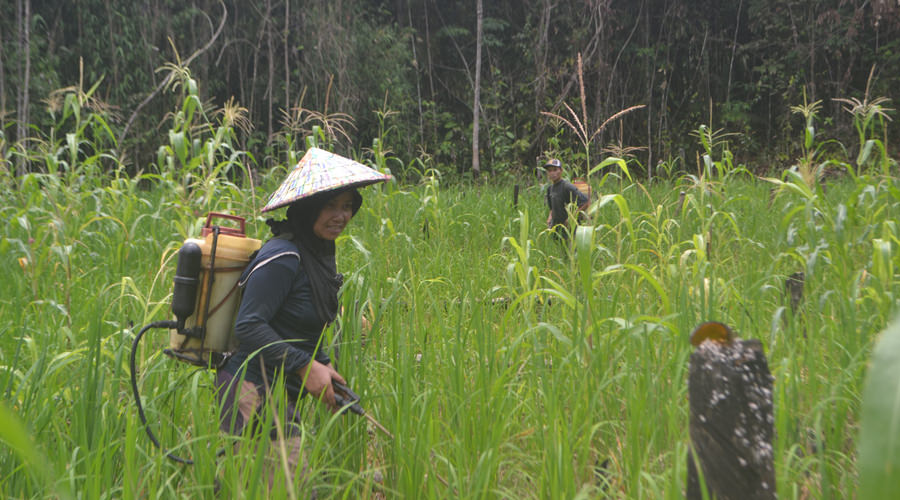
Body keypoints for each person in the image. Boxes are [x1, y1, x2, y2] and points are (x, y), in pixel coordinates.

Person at [216, 147, 391, 486]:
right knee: (287, 489)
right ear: (308, 207)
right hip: (250, 388)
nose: (341, 215)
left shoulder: (318, 254)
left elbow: (298, 329)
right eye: (329, 205)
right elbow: (249, 325)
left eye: (347, 205)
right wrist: (305, 366)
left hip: (281, 391)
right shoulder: (284, 256)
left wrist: (322, 366)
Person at [542, 158, 589, 238]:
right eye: (550, 171)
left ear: (561, 170)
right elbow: (552, 208)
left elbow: (585, 202)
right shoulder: (550, 189)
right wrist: (550, 218)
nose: (552, 173)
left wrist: (571, 218)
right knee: (559, 249)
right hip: (557, 228)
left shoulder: (567, 186)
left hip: (570, 229)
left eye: (555, 170)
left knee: (571, 249)